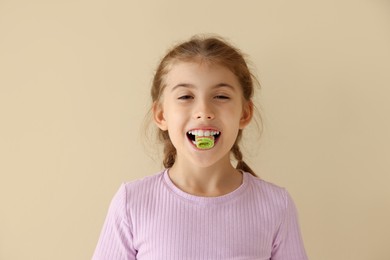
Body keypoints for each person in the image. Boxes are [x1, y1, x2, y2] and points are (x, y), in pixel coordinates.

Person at [92, 35, 308, 260]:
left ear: (244, 113)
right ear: (161, 114)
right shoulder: (131, 202)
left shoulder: (276, 205)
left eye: (221, 96)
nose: (204, 111)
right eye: (186, 96)